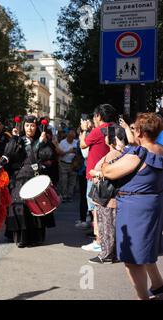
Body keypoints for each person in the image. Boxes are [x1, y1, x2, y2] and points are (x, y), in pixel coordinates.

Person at [102, 113, 163, 299]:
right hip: (153, 204)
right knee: (145, 249)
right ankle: (159, 286)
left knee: (132, 259)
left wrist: (107, 157)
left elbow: (109, 171)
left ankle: (143, 297)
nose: (132, 130)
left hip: (134, 207)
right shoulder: (160, 150)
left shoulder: (138, 154)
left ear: (141, 132)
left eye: (134, 128)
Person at [4, 115, 56, 247]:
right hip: (19, 177)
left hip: (35, 175)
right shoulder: (18, 139)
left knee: (38, 204)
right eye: (27, 125)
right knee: (20, 206)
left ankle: (36, 237)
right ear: (23, 126)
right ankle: (21, 238)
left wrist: (42, 142)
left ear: (36, 127)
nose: (30, 128)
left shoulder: (42, 139)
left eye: (32, 125)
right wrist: (14, 138)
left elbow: (48, 156)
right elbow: (9, 154)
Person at [88, 125, 128, 264]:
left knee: (107, 226)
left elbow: (99, 171)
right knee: (112, 226)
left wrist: (97, 173)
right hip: (114, 196)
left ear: (112, 139)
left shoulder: (113, 154)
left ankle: (106, 254)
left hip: (107, 197)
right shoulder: (123, 153)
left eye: (106, 135)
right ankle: (113, 253)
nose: (104, 137)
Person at [79, 104, 117, 252]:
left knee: (95, 209)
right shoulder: (115, 128)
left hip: (96, 176)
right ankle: (105, 240)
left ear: (99, 116)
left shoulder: (98, 130)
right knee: (107, 209)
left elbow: (83, 145)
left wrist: (83, 130)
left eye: (95, 116)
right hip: (111, 173)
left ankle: (99, 240)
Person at [58, 129, 78, 202]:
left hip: (73, 164)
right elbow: (60, 153)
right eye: (70, 137)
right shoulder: (62, 142)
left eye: (73, 137)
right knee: (64, 181)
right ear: (67, 136)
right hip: (64, 164)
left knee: (72, 181)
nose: (71, 139)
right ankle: (64, 195)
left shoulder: (76, 142)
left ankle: (69, 195)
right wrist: (69, 151)